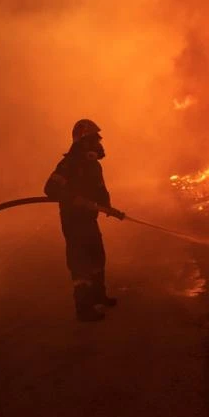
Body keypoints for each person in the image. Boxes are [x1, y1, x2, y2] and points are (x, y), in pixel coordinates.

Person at [44, 119, 125, 322]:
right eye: (92, 140)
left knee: (97, 255)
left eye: (97, 140)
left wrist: (108, 207)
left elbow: (100, 190)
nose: (98, 144)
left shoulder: (94, 166)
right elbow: (50, 189)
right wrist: (75, 200)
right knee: (80, 263)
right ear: (82, 142)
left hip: (89, 219)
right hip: (73, 220)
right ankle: (83, 307)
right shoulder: (68, 164)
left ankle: (99, 295)